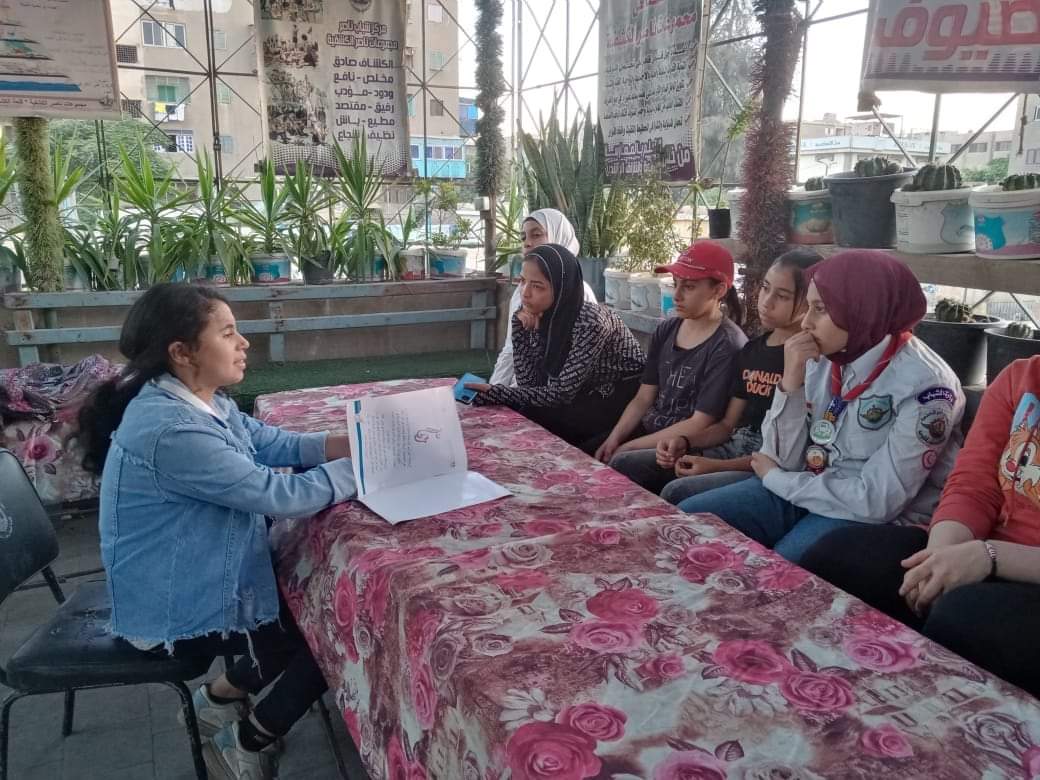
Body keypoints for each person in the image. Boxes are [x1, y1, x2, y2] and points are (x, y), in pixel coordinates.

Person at [78, 284, 357, 780]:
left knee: (310, 612)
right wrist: (368, 469)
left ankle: (219, 698)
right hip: (173, 607)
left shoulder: (198, 400)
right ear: (182, 352)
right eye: (227, 333)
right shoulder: (172, 429)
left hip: (191, 576)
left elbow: (273, 442)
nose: (243, 343)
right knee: (335, 631)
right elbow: (278, 494)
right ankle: (249, 741)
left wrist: (355, 442)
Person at [676, 250, 964, 564]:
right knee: (689, 518)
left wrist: (775, 478)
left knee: (782, 566)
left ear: (862, 310)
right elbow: (780, 458)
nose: (806, 322)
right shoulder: (823, 355)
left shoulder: (926, 387)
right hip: (806, 485)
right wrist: (791, 381)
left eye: (820, 309)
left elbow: (878, 501)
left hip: (866, 516)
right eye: (808, 307)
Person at [801, 356, 1040, 697]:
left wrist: (990, 556)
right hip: (976, 545)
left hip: (1023, 567)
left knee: (965, 616)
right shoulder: (1022, 377)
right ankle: (823, 694)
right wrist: (938, 556)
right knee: (840, 557)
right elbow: (974, 483)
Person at [658, 248, 822, 505]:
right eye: (765, 288)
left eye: (782, 296)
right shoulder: (751, 351)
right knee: (633, 464)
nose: (766, 302)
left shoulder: (811, 361)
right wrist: (685, 441)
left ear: (810, 301)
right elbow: (727, 426)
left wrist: (714, 466)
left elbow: (789, 455)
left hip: (770, 465)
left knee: (677, 492)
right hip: (733, 449)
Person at [594, 241, 747, 493]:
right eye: (675, 283)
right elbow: (644, 397)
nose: (676, 295)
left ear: (719, 290)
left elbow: (700, 423)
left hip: (683, 445)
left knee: (622, 464)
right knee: (589, 453)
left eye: (689, 287)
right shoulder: (666, 329)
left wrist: (629, 447)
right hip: (651, 430)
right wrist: (615, 438)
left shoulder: (727, 345)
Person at [465, 243, 645, 450]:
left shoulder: (591, 322)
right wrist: (522, 332)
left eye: (537, 286)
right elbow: (529, 384)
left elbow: (560, 394)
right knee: (523, 413)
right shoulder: (542, 316)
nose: (525, 293)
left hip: (622, 400)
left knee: (531, 420)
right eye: (522, 281)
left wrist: (498, 392)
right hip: (585, 395)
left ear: (562, 288)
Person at [490, 208, 597, 386]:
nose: (527, 243)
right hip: (526, 386)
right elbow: (511, 349)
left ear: (559, 236)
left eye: (536, 235)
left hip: (568, 389)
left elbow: (576, 371)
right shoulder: (521, 291)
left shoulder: (579, 293)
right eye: (523, 237)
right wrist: (494, 389)